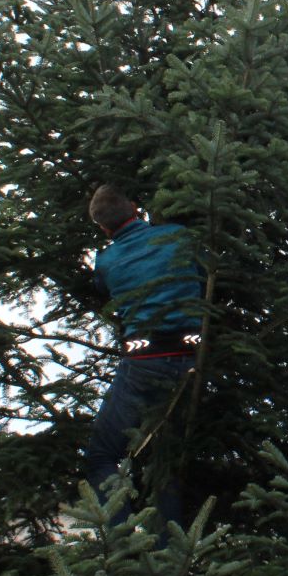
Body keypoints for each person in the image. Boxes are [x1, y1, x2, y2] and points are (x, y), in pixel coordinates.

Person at [83, 184, 203, 530]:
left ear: (104, 228)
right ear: (136, 207)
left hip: (143, 362)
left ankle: (121, 543)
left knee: (103, 456)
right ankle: (170, 550)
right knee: (164, 457)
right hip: (190, 358)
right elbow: (202, 272)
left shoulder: (106, 260)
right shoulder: (178, 236)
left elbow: (103, 293)